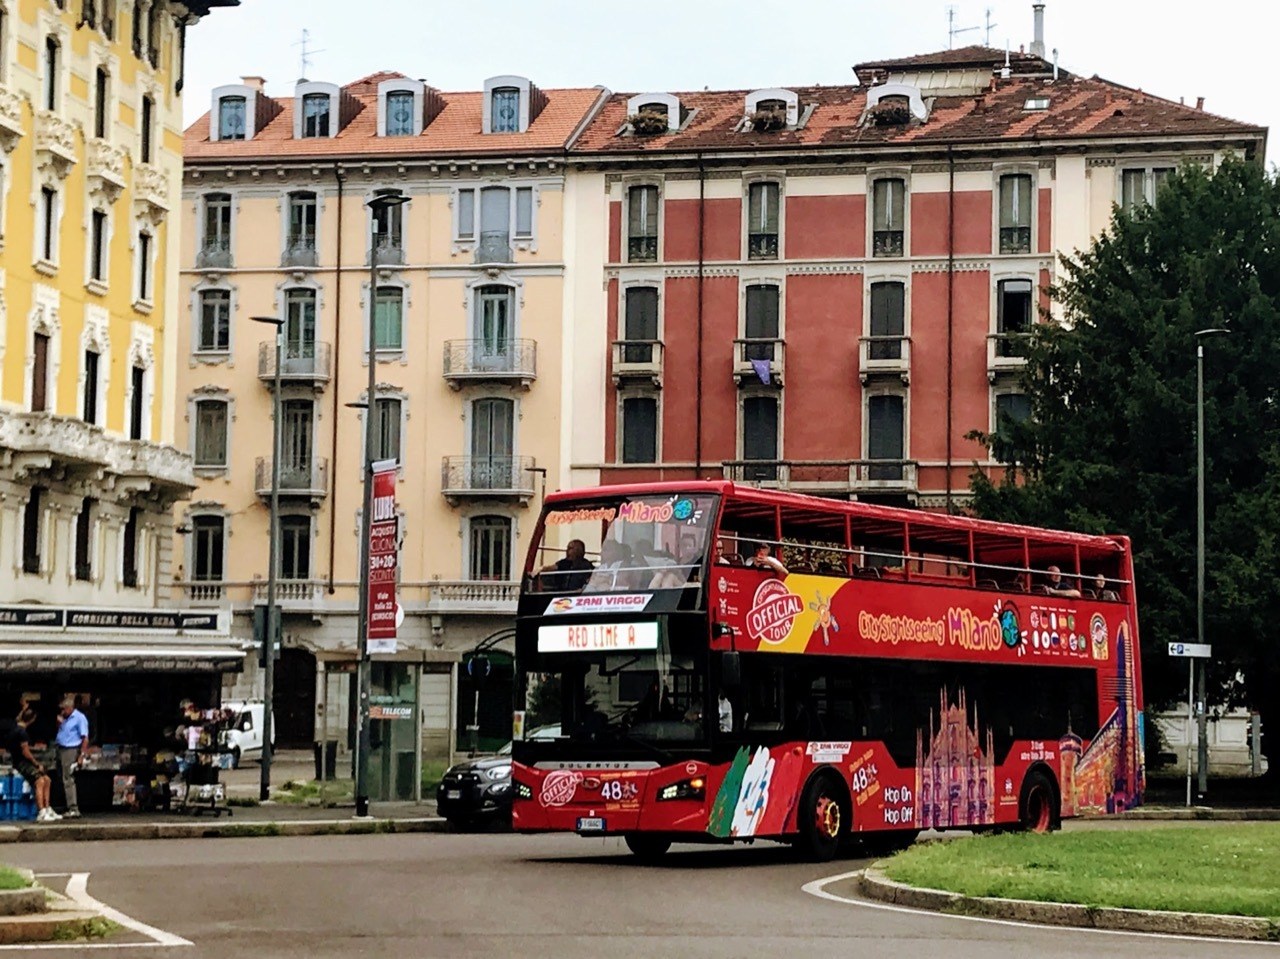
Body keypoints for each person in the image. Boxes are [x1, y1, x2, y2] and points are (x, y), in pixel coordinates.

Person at [0, 709, 57, 822]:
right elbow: (25, 752)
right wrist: (36, 764)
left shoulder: (15, 730)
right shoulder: (22, 732)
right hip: (21, 763)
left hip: (20, 761)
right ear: (32, 719)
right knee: (39, 781)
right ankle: (41, 811)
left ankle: (47, 808)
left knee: (47, 779)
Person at [55, 696, 89, 819]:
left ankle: (73, 808)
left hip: (71, 749)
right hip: (60, 748)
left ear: (70, 708)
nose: (62, 711)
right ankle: (65, 804)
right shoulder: (64, 719)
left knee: (68, 777)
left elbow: (85, 738)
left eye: (64, 709)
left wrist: (81, 755)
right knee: (61, 776)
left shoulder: (79, 718)